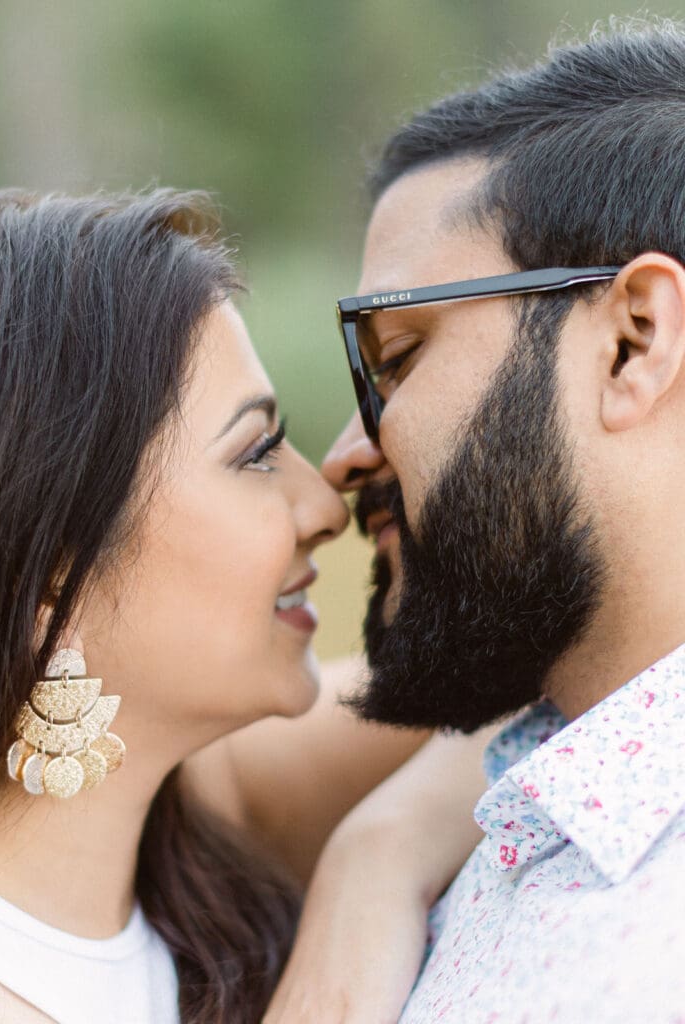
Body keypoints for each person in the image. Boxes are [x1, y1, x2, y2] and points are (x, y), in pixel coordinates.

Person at [0, 188, 489, 1024]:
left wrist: (375, 858)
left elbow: (530, 693)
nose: (325, 507)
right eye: (255, 453)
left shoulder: (199, 802)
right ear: (48, 576)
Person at [321, 18, 685, 1023]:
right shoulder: (522, 789)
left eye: (395, 356)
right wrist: (374, 852)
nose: (344, 454)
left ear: (633, 341)